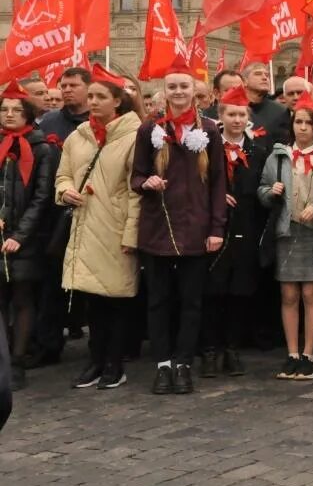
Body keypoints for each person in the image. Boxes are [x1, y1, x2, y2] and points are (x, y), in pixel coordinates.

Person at [132, 65, 227, 395]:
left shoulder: (211, 131)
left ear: (194, 91)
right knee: (158, 300)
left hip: (196, 228)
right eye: (172, 86)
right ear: (164, 91)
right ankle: (162, 365)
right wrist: (147, 181)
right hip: (158, 227)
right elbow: (135, 176)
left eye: (184, 86)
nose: (178, 92)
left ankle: (184, 363)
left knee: (191, 301)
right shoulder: (149, 130)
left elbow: (218, 184)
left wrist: (217, 228)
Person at [57, 65, 142, 390]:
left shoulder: (134, 137)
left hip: (115, 228)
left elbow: (136, 192)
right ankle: (95, 359)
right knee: (93, 299)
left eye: (100, 96)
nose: (92, 101)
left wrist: (131, 234)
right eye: (90, 95)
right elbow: (63, 174)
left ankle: (114, 362)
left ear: (117, 101)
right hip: (85, 226)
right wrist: (64, 190)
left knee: (116, 300)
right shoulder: (77, 137)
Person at [259, 92, 313, 381]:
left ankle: (309, 353)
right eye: (298, 122)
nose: (303, 127)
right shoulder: (279, 155)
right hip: (287, 232)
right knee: (289, 293)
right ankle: (292, 352)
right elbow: (263, 189)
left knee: (311, 293)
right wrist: (271, 193)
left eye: (308, 122)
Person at [199, 86, 270, 379]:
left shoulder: (258, 151)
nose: (237, 120)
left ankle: (232, 347)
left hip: (246, 227)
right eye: (231, 114)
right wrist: (214, 198)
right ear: (221, 115)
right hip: (213, 228)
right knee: (213, 291)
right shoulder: (206, 146)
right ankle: (210, 350)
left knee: (240, 291)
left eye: (242, 114)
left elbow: (263, 187)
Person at [28, 67, 92, 371]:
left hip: (92, 213)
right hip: (55, 214)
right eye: (63, 85)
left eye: (73, 85)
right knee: (51, 283)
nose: (66, 90)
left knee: (93, 285)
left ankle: (99, 347)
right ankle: (49, 344)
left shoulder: (98, 120)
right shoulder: (51, 121)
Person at [0, 82, 57, 391]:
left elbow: (41, 196)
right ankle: (3, 358)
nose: (9, 115)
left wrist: (20, 234)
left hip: (25, 238)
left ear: (28, 114)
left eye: (16, 110)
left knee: (22, 298)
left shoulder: (40, 147)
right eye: (4, 109)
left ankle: (19, 359)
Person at [241, 62, 289, 144]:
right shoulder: (233, 108)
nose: (264, 78)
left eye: (267, 75)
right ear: (244, 81)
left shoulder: (281, 111)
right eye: (258, 74)